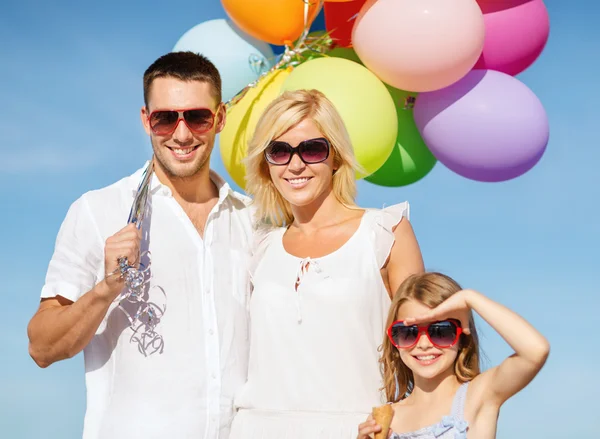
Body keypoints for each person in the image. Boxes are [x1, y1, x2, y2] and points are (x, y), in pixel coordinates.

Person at [27, 51, 254, 439]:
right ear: (146, 120)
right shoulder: (98, 211)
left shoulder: (253, 219)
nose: (182, 134)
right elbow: (42, 346)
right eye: (166, 118)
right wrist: (107, 288)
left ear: (220, 119)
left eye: (197, 117)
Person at [228, 89, 425, 439]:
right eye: (279, 151)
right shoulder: (258, 246)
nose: (296, 164)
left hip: (357, 430)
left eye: (312, 149)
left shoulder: (385, 233)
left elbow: (425, 350)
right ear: (265, 163)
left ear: (335, 157)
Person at [357, 272, 550, 439]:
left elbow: (535, 351)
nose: (424, 344)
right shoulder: (386, 419)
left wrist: (469, 298)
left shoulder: (479, 395)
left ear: (462, 336)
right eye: (409, 333)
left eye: (440, 331)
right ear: (395, 342)